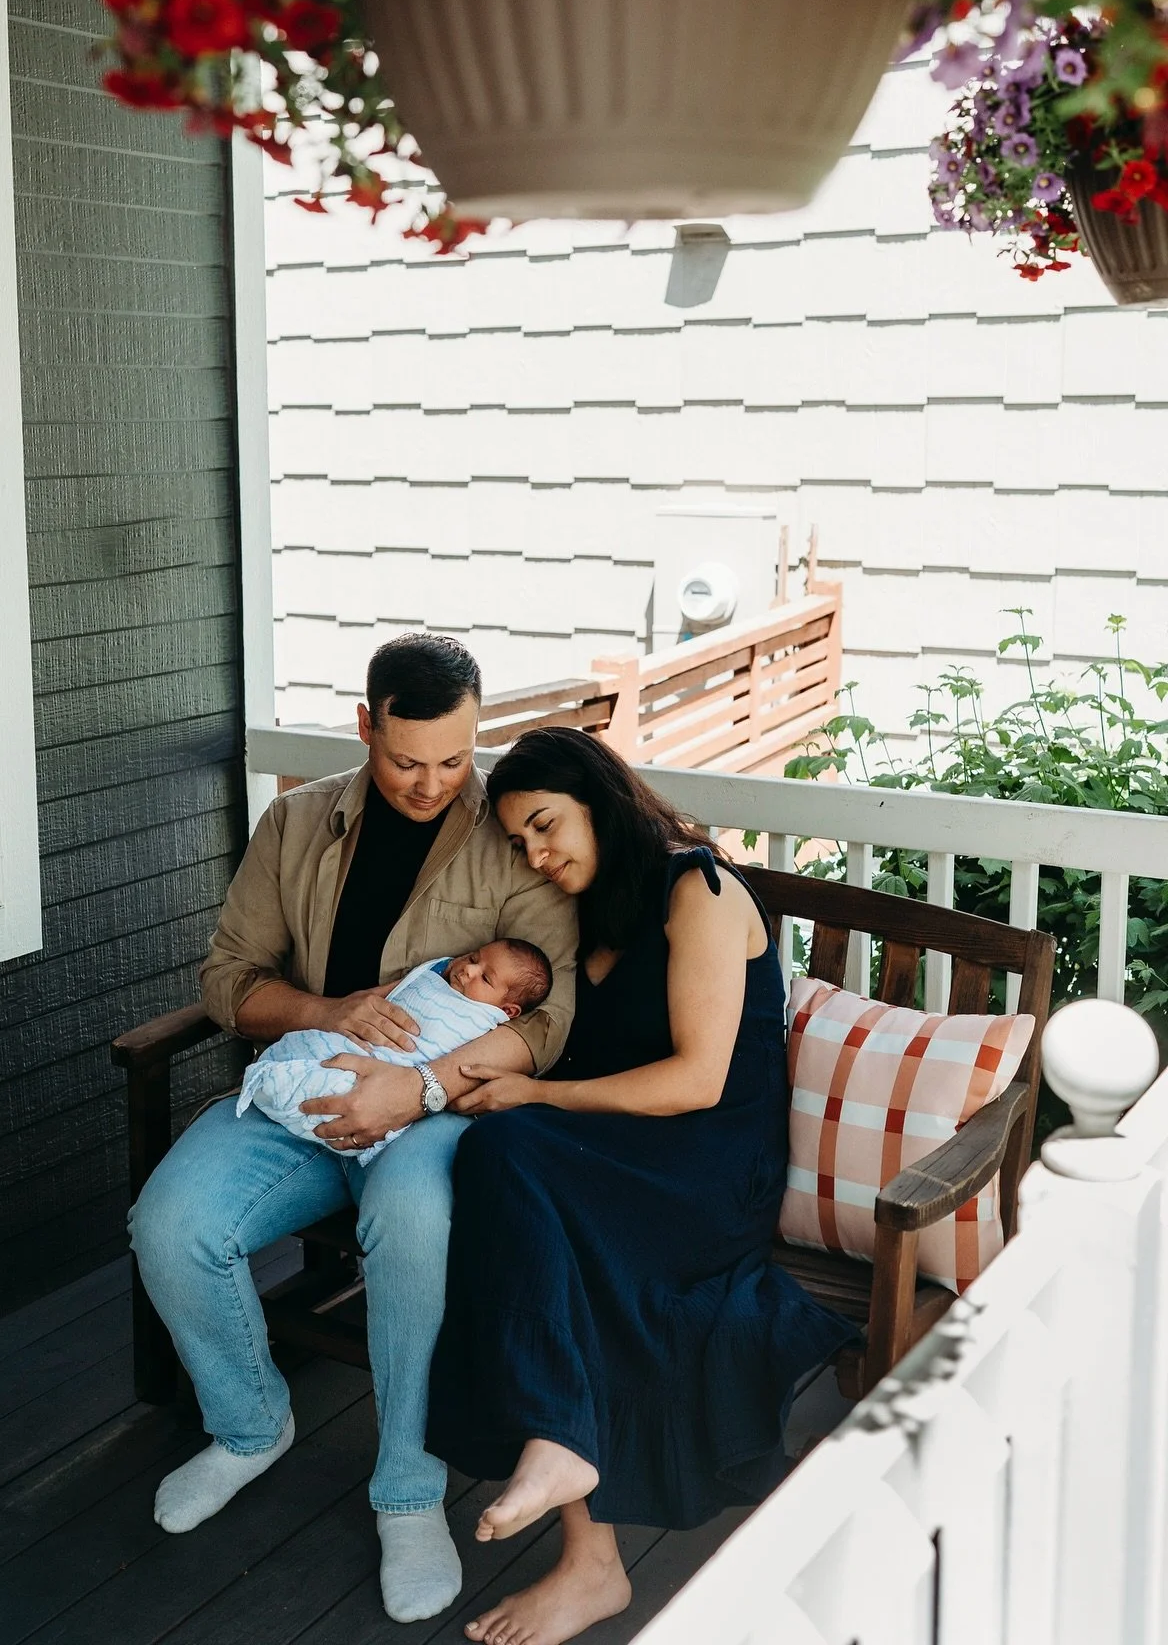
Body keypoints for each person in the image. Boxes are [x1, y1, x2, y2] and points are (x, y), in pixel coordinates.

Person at [128, 635, 577, 1625]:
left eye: (454, 760)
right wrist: (328, 1015)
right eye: (407, 759)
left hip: (431, 1112)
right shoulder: (296, 823)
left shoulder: (508, 842)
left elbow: (553, 1018)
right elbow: (227, 980)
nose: (430, 784)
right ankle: (249, 1427)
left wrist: (415, 1093)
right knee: (170, 1226)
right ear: (367, 725)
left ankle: (410, 1494)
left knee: (413, 1227)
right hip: (302, 1092)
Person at [426, 728, 855, 1645]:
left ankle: (572, 1484)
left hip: (708, 1165)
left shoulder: (697, 891)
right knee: (506, 1162)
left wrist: (535, 1092)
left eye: (546, 827)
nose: (538, 856)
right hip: (627, 1151)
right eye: (520, 843)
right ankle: (580, 1515)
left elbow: (698, 1080)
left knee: (512, 1153)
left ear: (600, 801)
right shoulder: (591, 912)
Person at [237, 939, 554, 1161]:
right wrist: (324, 1011)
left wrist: (418, 1087)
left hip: (406, 1095)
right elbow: (397, 996)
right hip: (350, 1041)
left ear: (508, 1010)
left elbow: (540, 1032)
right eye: (473, 958)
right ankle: (282, 1076)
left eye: (485, 978)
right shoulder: (435, 976)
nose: (468, 970)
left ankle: (285, 1086)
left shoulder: (484, 1021)